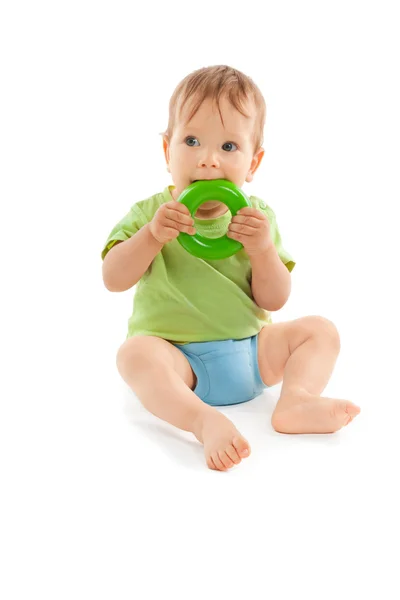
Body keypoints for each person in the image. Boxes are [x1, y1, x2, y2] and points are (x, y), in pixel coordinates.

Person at [101, 65, 360, 471]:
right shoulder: (150, 214)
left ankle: (295, 400)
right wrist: (152, 237)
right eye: (192, 141)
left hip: (253, 354)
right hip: (178, 362)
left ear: (253, 163)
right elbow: (113, 279)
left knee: (320, 330)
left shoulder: (257, 219)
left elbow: (274, 298)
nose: (207, 160)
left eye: (228, 147)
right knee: (134, 355)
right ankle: (200, 420)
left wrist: (261, 251)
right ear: (168, 152)